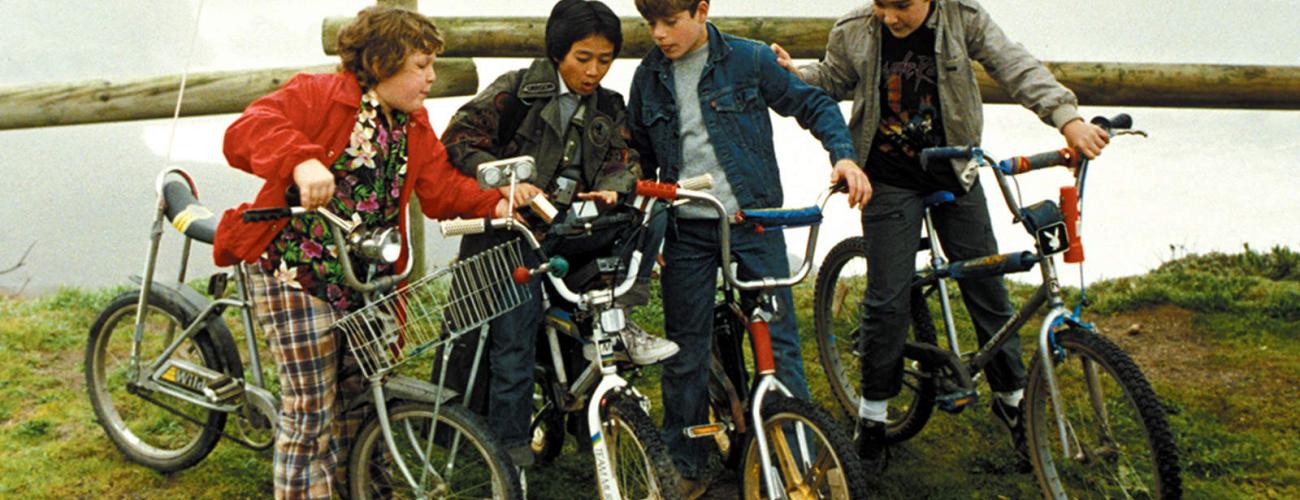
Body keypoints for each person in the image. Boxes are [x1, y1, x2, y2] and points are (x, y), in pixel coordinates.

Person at [771, 0, 1111, 471]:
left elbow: (1014, 65)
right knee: (888, 298)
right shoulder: (855, 28)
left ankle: (1014, 403)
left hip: (955, 170)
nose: (890, 16)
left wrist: (1067, 119)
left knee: (988, 287)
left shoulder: (963, 18)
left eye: (902, 6)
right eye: (881, 4)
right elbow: (833, 78)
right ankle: (871, 418)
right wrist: (794, 73)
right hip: (888, 177)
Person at [212, 6, 508, 498]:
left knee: (361, 401)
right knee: (310, 410)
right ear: (382, 61)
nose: (431, 77)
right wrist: (301, 161)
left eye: (432, 65)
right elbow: (245, 131)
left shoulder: (412, 124)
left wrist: (499, 201)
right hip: (295, 272)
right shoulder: (319, 94)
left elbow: (440, 192)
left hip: (363, 279)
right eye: (420, 65)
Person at [627, 0, 871, 494]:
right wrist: (641, 222)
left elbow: (814, 103)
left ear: (701, 10)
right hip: (687, 230)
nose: (658, 34)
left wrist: (844, 158)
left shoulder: (749, 58)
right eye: (649, 23)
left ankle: (798, 462)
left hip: (755, 222)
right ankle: (687, 465)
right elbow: (639, 155)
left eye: (670, 22)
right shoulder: (647, 77)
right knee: (684, 349)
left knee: (779, 345)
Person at [437, 0, 679, 468]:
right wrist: (506, 180)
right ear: (556, 52)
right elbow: (458, 141)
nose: (593, 71)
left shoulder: (609, 106)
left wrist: (610, 189)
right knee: (514, 341)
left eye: (604, 61)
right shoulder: (517, 92)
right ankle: (508, 456)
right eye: (582, 58)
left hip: (572, 229)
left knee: (654, 218)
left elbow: (625, 162)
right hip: (511, 236)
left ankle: (619, 325)